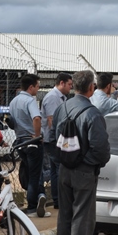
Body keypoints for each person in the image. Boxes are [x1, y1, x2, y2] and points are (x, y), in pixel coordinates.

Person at [52, 70, 111, 235]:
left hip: (64, 168)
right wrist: (90, 163)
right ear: (91, 88)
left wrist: (64, 159)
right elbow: (101, 148)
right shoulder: (92, 113)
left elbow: (53, 138)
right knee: (83, 215)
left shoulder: (62, 108)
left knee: (65, 213)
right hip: (84, 171)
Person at [10, 73, 49, 218]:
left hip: (20, 141)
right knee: (35, 175)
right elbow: (37, 118)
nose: (38, 90)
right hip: (32, 141)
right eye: (37, 86)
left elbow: (12, 122)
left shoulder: (13, 101)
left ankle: (40, 196)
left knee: (32, 172)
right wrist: (37, 135)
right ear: (31, 87)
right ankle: (33, 206)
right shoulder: (30, 101)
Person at [42, 72, 73, 209]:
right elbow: (52, 120)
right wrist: (59, 140)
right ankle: (61, 200)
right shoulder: (53, 97)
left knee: (55, 170)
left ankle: (57, 200)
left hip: (55, 139)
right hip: (54, 139)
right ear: (62, 83)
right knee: (61, 169)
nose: (70, 88)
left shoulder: (61, 97)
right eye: (69, 85)